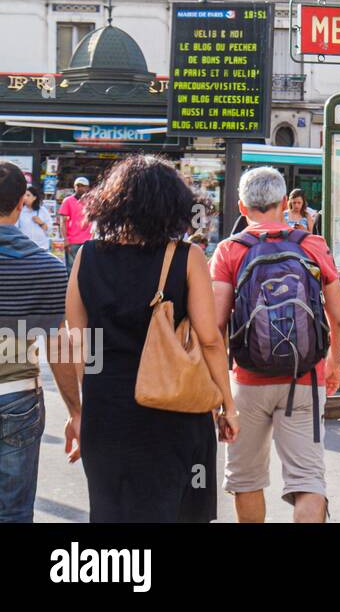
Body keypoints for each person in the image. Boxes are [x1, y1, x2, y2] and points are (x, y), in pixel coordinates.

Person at [61, 155, 237, 523]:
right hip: (174, 408)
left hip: (106, 411)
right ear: (172, 205)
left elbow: (76, 340)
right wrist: (226, 405)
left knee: (112, 513)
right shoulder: (186, 258)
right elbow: (209, 339)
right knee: (176, 510)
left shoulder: (87, 256)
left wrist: (81, 407)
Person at [210, 167, 340, 523]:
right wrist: (334, 361)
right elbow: (339, 320)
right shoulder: (312, 245)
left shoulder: (229, 251)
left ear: (242, 206)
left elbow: (214, 330)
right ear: (285, 202)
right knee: (308, 482)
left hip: (247, 381)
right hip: (304, 378)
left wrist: (221, 396)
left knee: (246, 480)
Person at [0, 162, 79, 523]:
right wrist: (76, 412)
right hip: (16, 393)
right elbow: (58, 346)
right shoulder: (46, 267)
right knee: (14, 512)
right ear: (22, 204)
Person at [57, 176, 91, 268]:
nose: (80, 188)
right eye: (78, 186)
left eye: (83, 186)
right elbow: (62, 221)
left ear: (87, 188)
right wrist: (65, 239)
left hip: (88, 240)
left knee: (87, 267)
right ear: (74, 187)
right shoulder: (68, 201)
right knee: (72, 268)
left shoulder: (91, 201)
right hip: (73, 240)